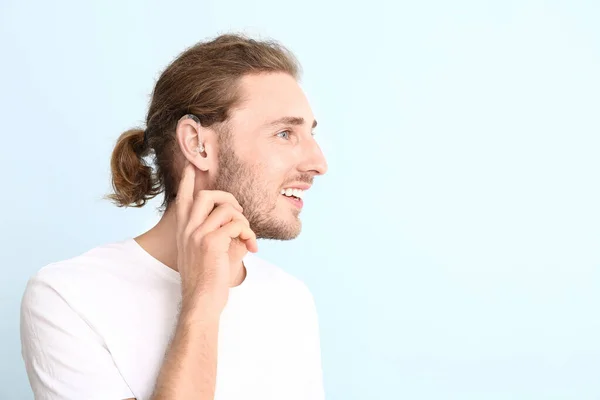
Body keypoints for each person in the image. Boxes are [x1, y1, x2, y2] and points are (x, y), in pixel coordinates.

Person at [20, 33, 328, 400]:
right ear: (197, 144)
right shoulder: (68, 298)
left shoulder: (290, 299)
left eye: (309, 134)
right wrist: (201, 303)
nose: (318, 164)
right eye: (284, 133)